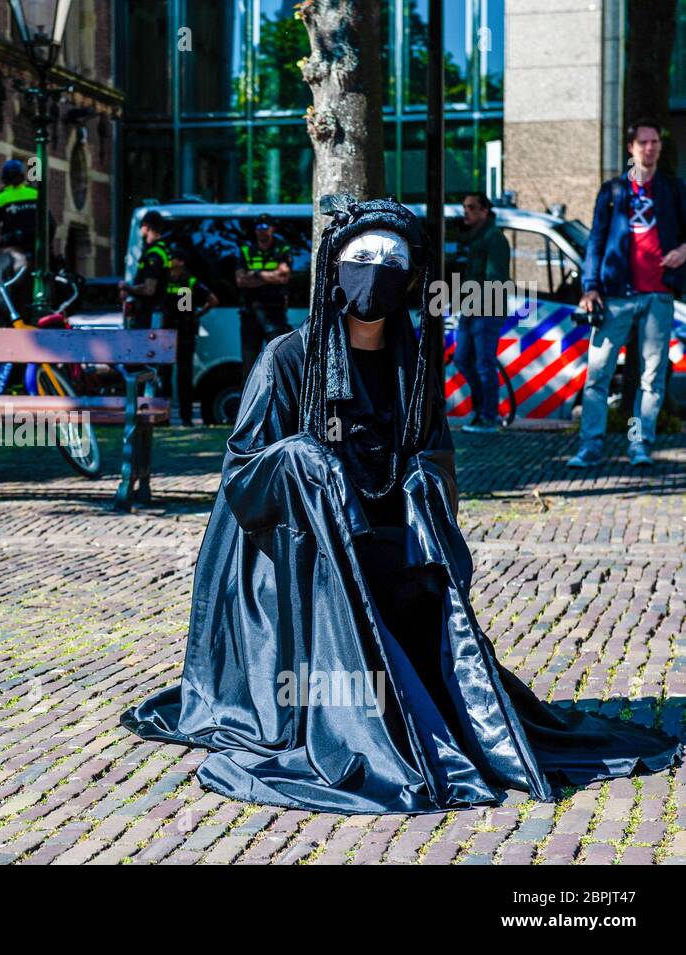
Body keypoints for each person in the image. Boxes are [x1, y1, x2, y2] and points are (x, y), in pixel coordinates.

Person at [120, 197, 682, 814]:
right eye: (362, 258)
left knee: (420, 607)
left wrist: (421, 482)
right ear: (335, 267)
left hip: (388, 544)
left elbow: (436, 457)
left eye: (393, 260)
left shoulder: (412, 366)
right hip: (303, 557)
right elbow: (243, 476)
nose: (376, 272)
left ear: (412, 276)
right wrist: (303, 462)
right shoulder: (286, 359)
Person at [569, 118, 686, 469]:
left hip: (658, 295)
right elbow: (596, 241)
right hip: (616, 295)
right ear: (631, 148)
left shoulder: (673, 189)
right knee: (598, 375)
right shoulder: (614, 191)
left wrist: (683, 250)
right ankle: (590, 446)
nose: (651, 148)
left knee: (651, 379)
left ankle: (639, 445)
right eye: (644, 142)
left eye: (655, 142)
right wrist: (590, 287)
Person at [454, 192, 512, 434]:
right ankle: (481, 412)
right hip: (472, 310)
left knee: (483, 364)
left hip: (486, 311)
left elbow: (494, 280)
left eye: (471, 208)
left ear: (484, 211)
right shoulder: (476, 238)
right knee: (462, 360)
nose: (466, 212)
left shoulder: (494, 238)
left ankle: (488, 417)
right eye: (464, 207)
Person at [160, 246, 218, 426]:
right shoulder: (169, 280)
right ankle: (171, 417)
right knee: (169, 376)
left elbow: (212, 300)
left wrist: (194, 316)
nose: (169, 262)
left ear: (181, 262)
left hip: (180, 333)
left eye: (173, 259)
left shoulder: (187, 282)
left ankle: (181, 417)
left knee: (178, 377)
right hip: (174, 333)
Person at [234, 212, 293, 380]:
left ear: (272, 229)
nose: (261, 231)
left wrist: (256, 274)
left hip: (275, 312)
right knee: (249, 363)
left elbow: (284, 277)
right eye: (258, 227)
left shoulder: (281, 248)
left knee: (277, 359)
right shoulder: (246, 250)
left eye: (265, 227)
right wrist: (271, 276)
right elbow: (241, 281)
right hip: (250, 313)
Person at [119, 210, 170, 330]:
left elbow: (149, 289)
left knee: (147, 347)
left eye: (141, 226)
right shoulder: (161, 250)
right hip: (153, 313)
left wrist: (126, 287)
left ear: (146, 227)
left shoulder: (154, 254)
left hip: (149, 314)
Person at [0, 159, 40, 255]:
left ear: (4, 179)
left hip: (12, 250)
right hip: (37, 249)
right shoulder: (35, 194)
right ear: (22, 176)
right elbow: (51, 224)